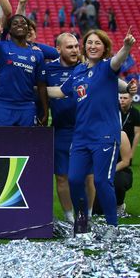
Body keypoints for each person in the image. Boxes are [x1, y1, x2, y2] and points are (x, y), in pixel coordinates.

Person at [48, 28, 137, 239]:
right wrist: (33, 88)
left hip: (105, 135)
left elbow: (118, 60)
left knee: (100, 181)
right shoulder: (78, 71)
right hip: (80, 137)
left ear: (105, 48)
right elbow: (60, 92)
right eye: (89, 42)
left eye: (98, 43)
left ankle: (112, 226)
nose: (92, 46)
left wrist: (126, 46)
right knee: (75, 179)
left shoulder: (108, 68)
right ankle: (82, 221)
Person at [0, 13, 48, 126]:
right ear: (9, 30)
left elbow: (41, 85)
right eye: (15, 23)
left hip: (26, 106)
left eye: (23, 23)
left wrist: (45, 110)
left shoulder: (37, 53)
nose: (20, 25)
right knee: (1, 142)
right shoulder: (1, 46)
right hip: (3, 105)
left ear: (28, 29)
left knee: (25, 142)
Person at [44, 33, 84, 223]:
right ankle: (70, 218)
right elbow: (39, 92)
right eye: (70, 47)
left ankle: (87, 216)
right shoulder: (48, 69)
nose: (75, 50)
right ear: (58, 49)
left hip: (85, 129)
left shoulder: (86, 68)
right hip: (61, 129)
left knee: (89, 177)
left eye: (76, 46)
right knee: (61, 176)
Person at [119, 91, 140, 156]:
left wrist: (131, 152)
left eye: (125, 98)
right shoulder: (115, 111)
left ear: (131, 99)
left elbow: (137, 133)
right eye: (121, 98)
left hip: (128, 142)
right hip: (115, 141)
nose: (122, 100)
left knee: (125, 164)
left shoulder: (135, 113)